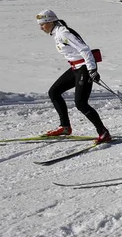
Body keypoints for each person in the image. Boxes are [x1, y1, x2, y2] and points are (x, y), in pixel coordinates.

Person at [36, 10, 111, 143]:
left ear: (51, 21)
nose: (41, 27)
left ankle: (103, 133)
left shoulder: (63, 33)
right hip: (76, 68)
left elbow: (84, 49)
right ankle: (65, 127)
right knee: (54, 92)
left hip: (84, 67)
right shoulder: (57, 33)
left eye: (43, 24)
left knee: (81, 103)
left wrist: (92, 69)